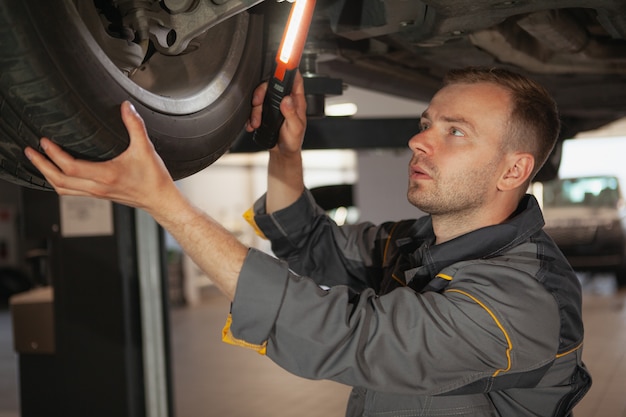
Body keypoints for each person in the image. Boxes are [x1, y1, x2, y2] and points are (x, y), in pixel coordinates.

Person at [24, 66, 591, 416]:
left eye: (455, 132)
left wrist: (163, 202)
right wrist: (285, 149)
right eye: (427, 122)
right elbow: (316, 246)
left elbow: (344, 336)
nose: (420, 140)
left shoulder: (522, 304)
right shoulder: (419, 244)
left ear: (513, 170)